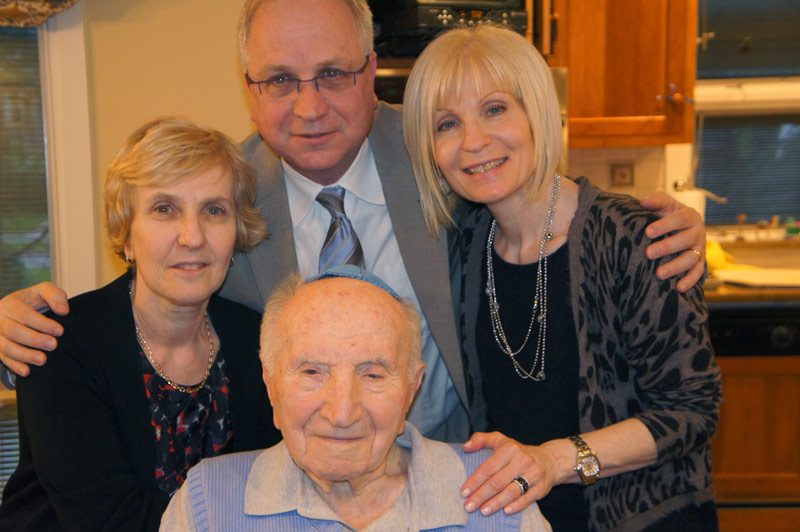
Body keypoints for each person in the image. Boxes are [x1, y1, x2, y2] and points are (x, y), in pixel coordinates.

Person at [0, 0, 706, 514]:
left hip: (465, 497)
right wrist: (20, 319)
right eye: (279, 80)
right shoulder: (227, 201)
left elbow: (532, 187)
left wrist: (658, 225)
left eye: (333, 74)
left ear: (372, 72)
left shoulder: (441, 154)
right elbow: (156, 286)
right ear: (248, 89)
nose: (309, 107)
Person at [402, 23, 722, 532]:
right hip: (519, 522)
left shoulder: (634, 239)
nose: (474, 141)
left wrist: (554, 460)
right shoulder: (462, 243)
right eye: (446, 124)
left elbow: (692, 410)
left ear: (537, 112)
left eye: (495, 109)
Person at [0, 118, 282, 532]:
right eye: (164, 209)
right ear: (126, 236)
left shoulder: (260, 341)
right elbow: (109, 522)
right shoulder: (62, 345)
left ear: (236, 231)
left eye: (214, 210)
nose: (192, 236)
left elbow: (278, 491)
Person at [160, 266, 552, 531]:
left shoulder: (497, 496)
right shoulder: (206, 506)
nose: (342, 413)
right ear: (271, 381)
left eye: (373, 374)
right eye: (312, 372)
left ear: (412, 388)